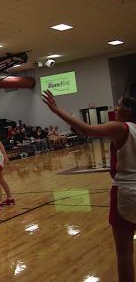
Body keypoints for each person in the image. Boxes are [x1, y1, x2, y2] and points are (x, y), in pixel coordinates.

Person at [43, 91, 136, 282]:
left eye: (119, 105)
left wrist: (56, 110)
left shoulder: (121, 127)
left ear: (128, 111)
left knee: (125, 255)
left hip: (126, 193)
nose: (115, 108)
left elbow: (87, 129)